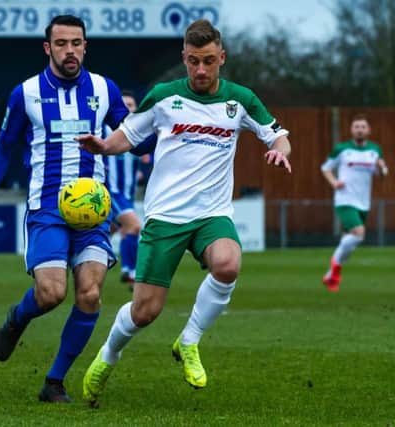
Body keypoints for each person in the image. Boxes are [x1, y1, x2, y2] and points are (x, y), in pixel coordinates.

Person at [77, 19, 292, 407]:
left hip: (212, 215)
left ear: (222, 58)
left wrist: (279, 149)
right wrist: (102, 146)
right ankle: (108, 355)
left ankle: (189, 340)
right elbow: (127, 135)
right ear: (184, 58)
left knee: (228, 264)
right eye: (193, 61)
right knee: (145, 312)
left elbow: (277, 133)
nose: (201, 70)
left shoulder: (240, 100)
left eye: (209, 61)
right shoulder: (162, 97)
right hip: (165, 218)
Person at [0, 15, 129, 403]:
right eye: (61, 44)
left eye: (76, 43)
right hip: (47, 207)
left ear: (85, 46)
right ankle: (18, 318)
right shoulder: (25, 93)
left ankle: (54, 382)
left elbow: (133, 138)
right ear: (48, 48)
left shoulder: (106, 90)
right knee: (52, 293)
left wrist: (152, 128)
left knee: (89, 295)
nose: (69, 50)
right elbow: (5, 147)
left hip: (92, 208)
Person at [321, 115, 388, 291]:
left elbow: (381, 174)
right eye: (356, 126)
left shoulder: (375, 150)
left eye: (363, 127)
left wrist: (382, 168)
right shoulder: (341, 149)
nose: (360, 129)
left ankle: (331, 276)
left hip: (364, 202)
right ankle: (334, 266)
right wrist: (334, 182)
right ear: (352, 130)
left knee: (349, 242)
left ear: (368, 130)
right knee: (359, 233)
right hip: (345, 199)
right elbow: (325, 168)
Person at [103, 90, 154, 287]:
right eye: (123, 105)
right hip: (112, 191)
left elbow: (146, 156)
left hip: (128, 193)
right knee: (133, 225)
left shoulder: (139, 133)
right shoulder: (109, 130)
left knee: (110, 231)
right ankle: (130, 271)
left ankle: (79, 257)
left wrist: (142, 172)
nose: (127, 109)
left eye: (131, 105)